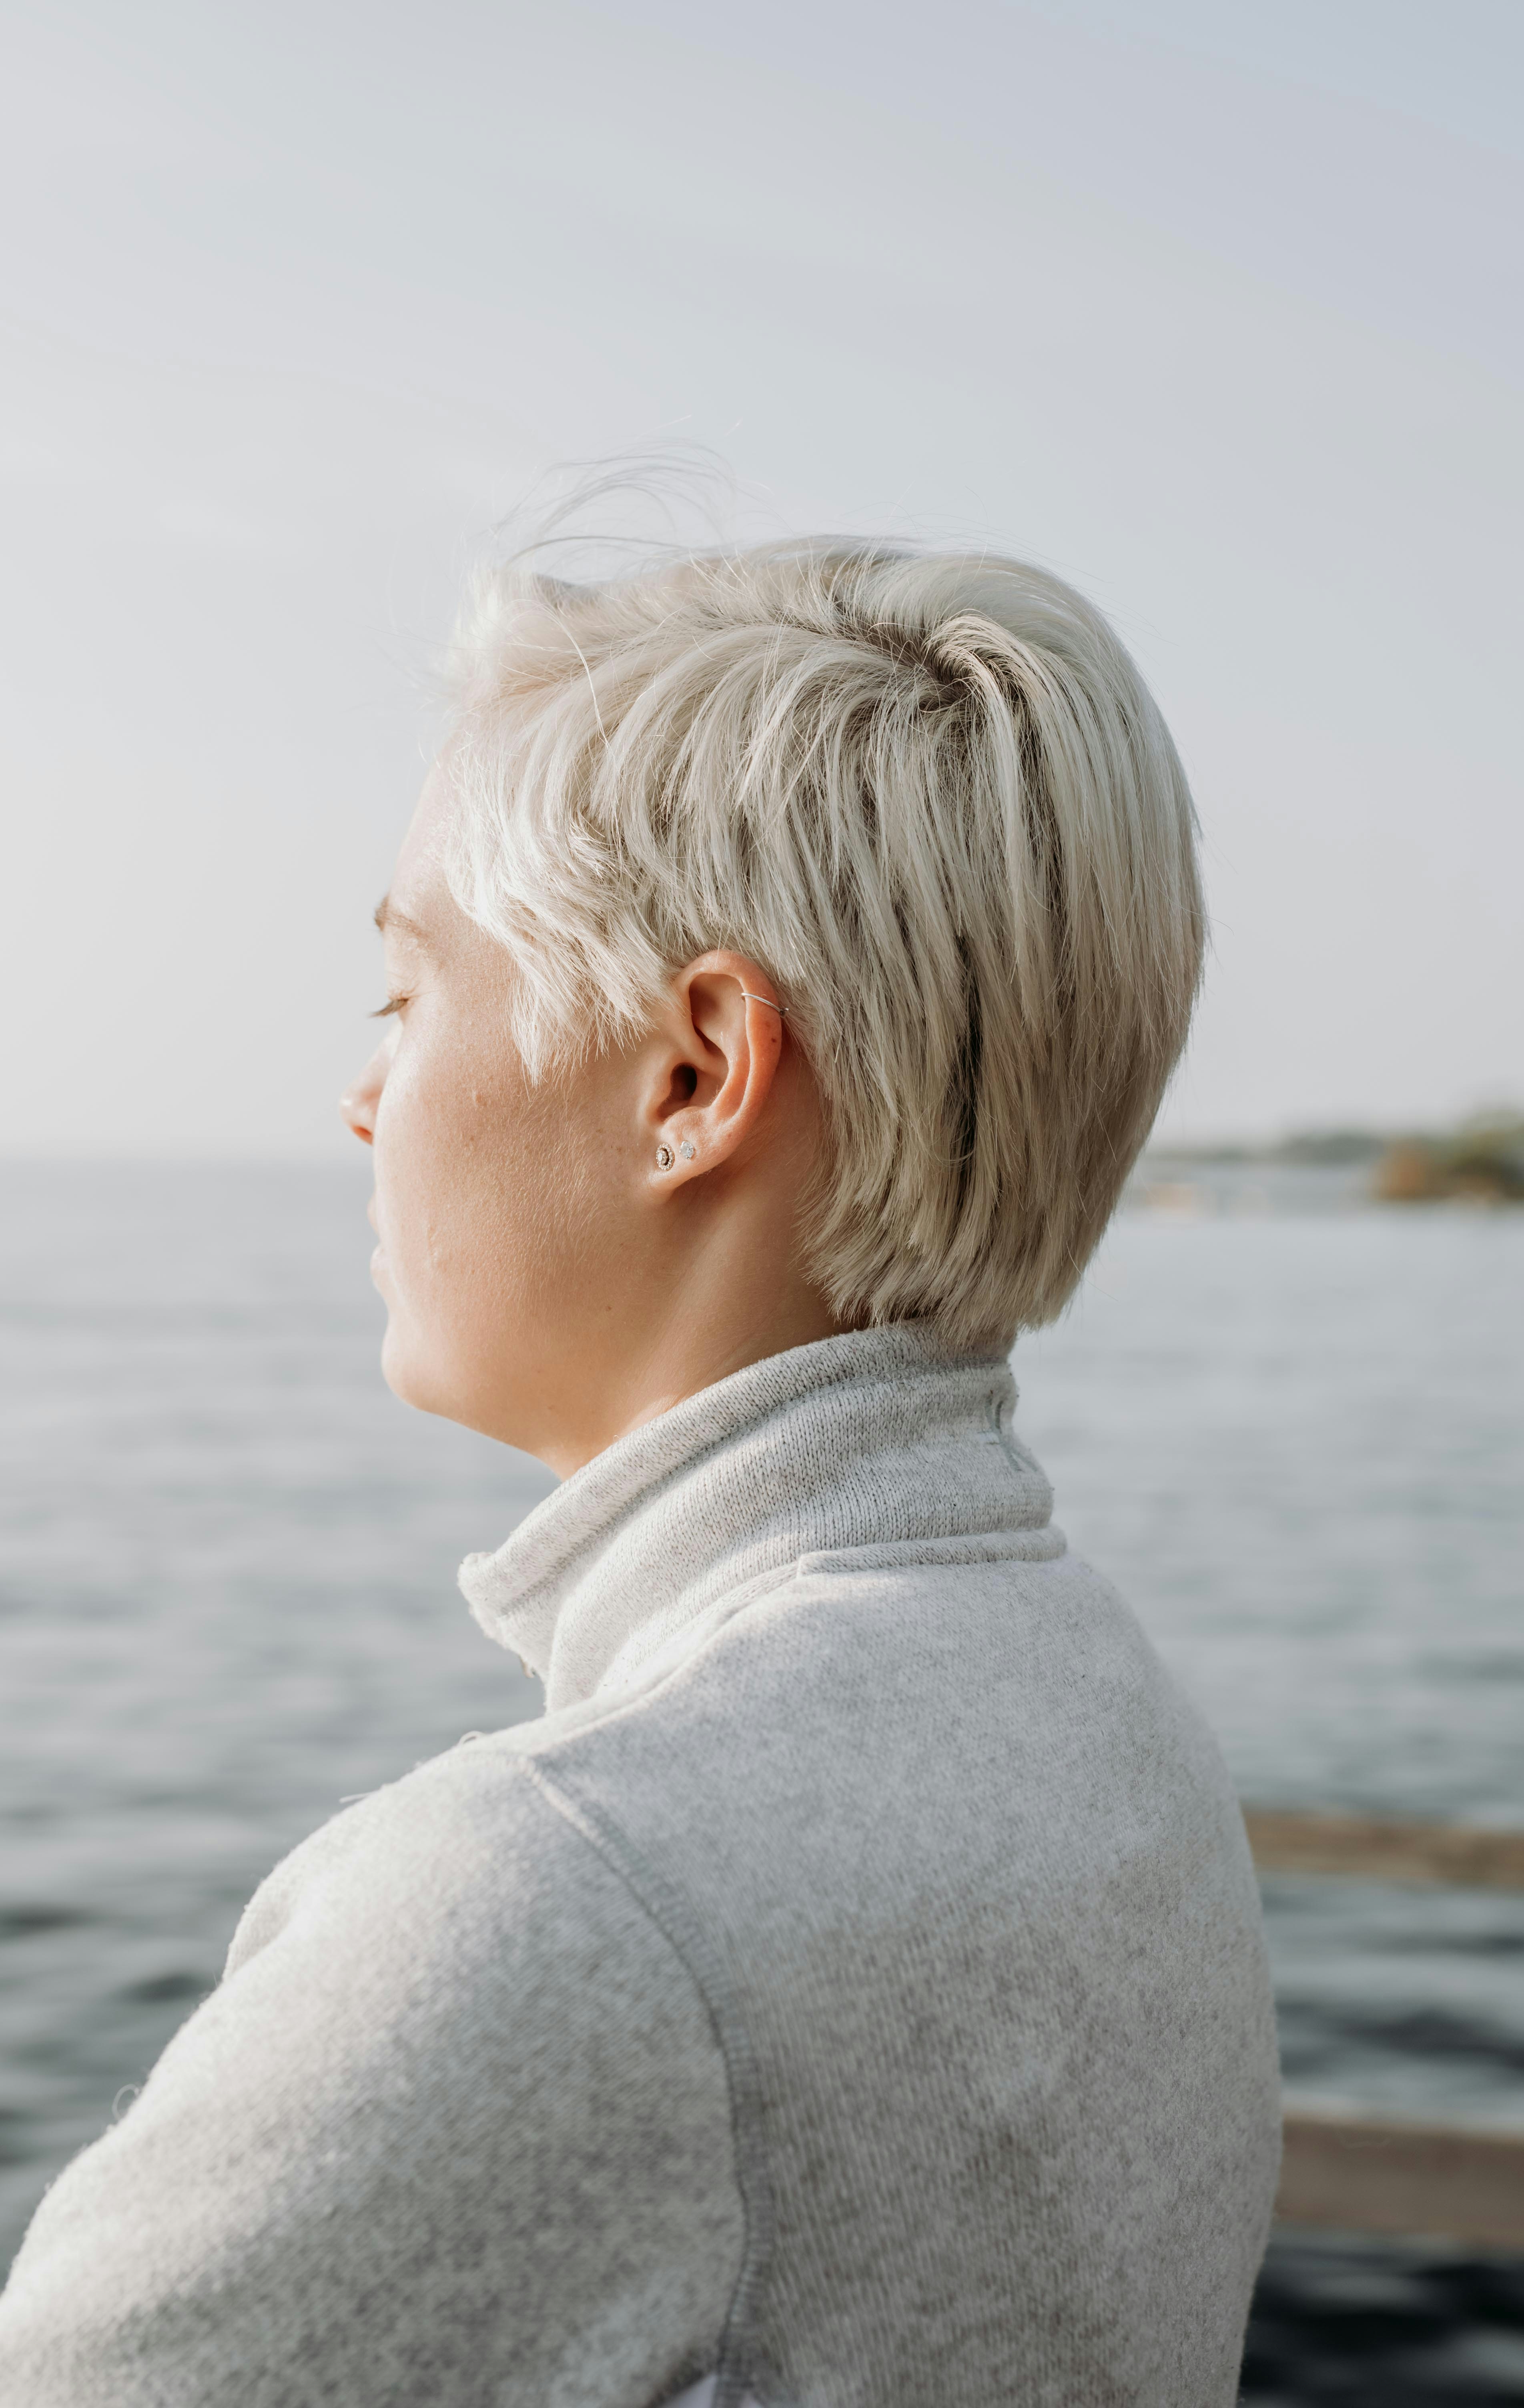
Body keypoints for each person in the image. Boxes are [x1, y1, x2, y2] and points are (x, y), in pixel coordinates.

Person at [0, 537, 1281, 2404]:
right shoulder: (1114, 1715)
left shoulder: (553, 1902)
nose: (366, 1099)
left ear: (693, 1074)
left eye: (408, 994)